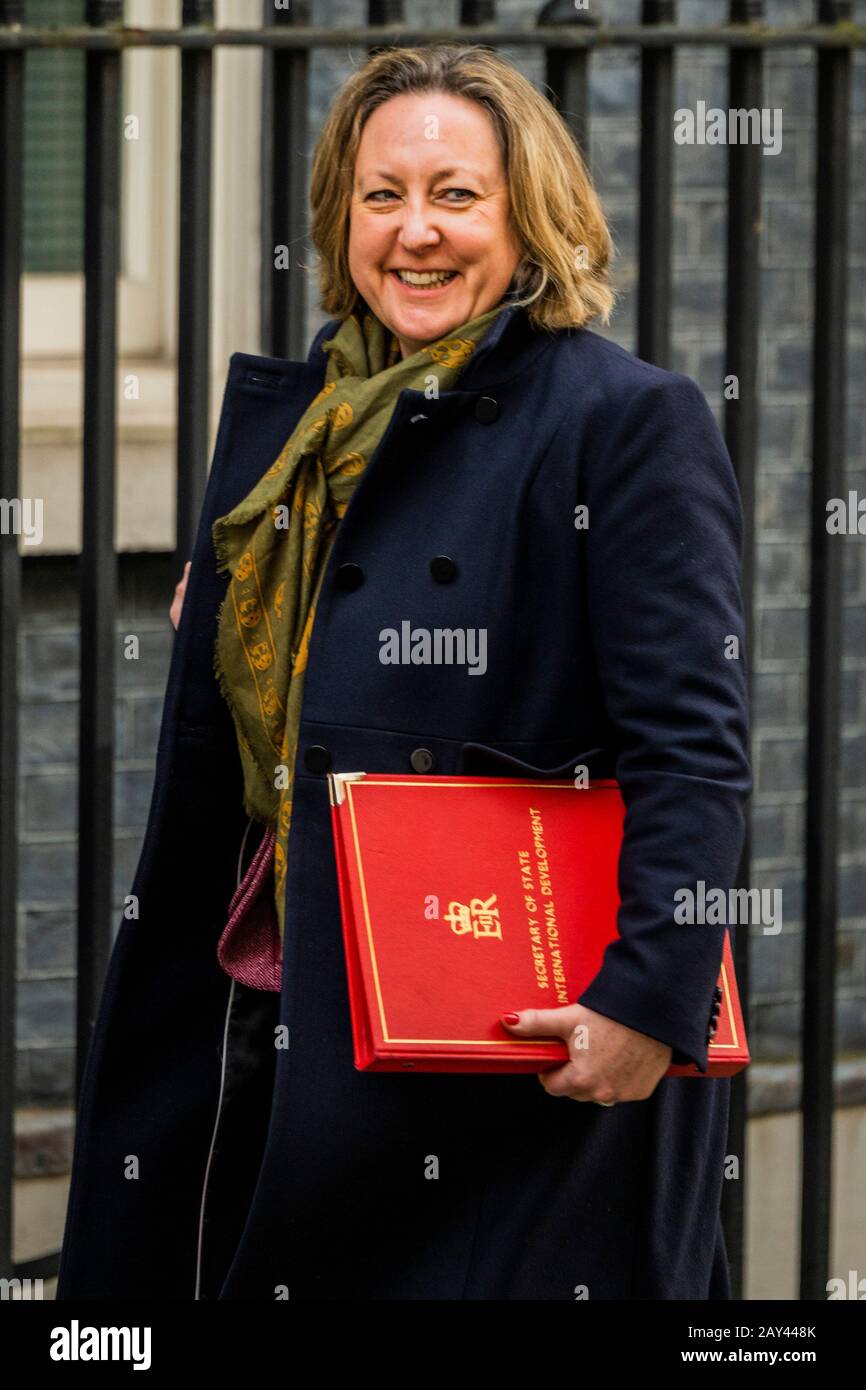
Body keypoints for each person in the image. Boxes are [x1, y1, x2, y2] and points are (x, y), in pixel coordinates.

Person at [56, 44, 751, 1302]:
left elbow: (690, 740)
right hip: (291, 989)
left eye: (455, 196)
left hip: (512, 1032)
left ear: (527, 216)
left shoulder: (620, 419)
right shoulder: (306, 424)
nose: (414, 233)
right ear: (342, 215)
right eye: (382, 195)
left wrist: (646, 1003)